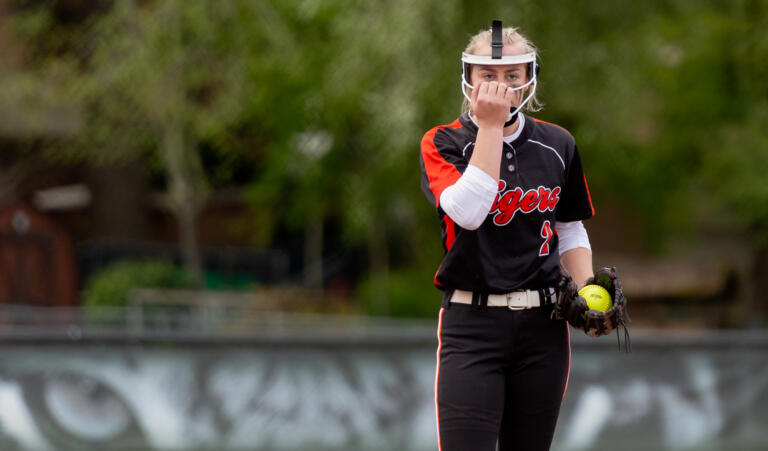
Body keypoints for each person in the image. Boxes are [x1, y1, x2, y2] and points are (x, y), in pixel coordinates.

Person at [419, 20, 627, 451]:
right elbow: (470, 213)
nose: (501, 85)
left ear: (529, 78)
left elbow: (568, 226)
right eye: (488, 75)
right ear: (468, 78)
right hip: (472, 325)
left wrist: (586, 285)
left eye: (513, 75)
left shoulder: (558, 144)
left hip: (543, 327)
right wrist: (490, 127)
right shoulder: (444, 142)